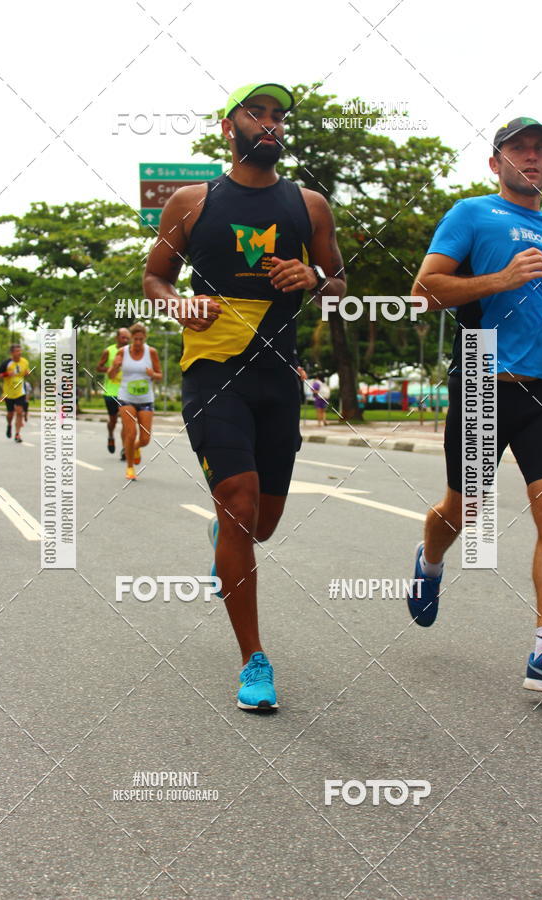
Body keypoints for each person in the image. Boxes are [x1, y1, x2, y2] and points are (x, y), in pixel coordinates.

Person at [143, 81, 346, 710]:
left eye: (278, 116)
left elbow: (339, 283)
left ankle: (222, 543)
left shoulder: (308, 206)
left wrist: (314, 277)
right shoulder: (190, 202)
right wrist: (179, 304)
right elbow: (154, 276)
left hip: (277, 375)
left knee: (261, 524)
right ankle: (254, 660)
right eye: (256, 113)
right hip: (213, 371)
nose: (270, 124)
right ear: (229, 126)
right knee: (238, 498)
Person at [407, 117, 542, 694]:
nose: (532, 157)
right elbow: (423, 292)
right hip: (483, 372)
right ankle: (429, 561)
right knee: (466, 509)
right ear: (496, 163)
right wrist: (499, 279)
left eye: (541, 150)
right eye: (519, 149)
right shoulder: (471, 213)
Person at [108, 323, 162, 480]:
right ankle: (130, 467)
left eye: (141, 339)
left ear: (145, 338)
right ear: (131, 338)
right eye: (135, 339)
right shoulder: (122, 352)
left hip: (146, 399)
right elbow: (111, 375)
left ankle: (135, 448)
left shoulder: (151, 352)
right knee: (130, 434)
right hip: (126, 398)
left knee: (145, 439)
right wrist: (115, 367)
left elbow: (160, 375)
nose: (138, 342)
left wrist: (153, 374)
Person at [96, 328, 131, 456]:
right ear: (117, 338)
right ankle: (111, 434)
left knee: (126, 421)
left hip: (127, 391)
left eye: (128, 338)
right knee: (113, 420)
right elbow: (98, 367)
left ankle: (124, 449)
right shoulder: (109, 351)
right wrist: (112, 368)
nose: (126, 340)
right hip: (111, 391)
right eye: (123, 337)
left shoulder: (132, 351)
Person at [0, 344, 30, 442]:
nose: (20, 353)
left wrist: (27, 373)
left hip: (20, 391)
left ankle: (17, 434)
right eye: (17, 351)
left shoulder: (25, 362)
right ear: (12, 353)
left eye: (20, 350)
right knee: (10, 413)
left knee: (19, 411)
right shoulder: (6, 363)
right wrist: (6, 374)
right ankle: (9, 425)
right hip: (8, 392)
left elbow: (25, 372)